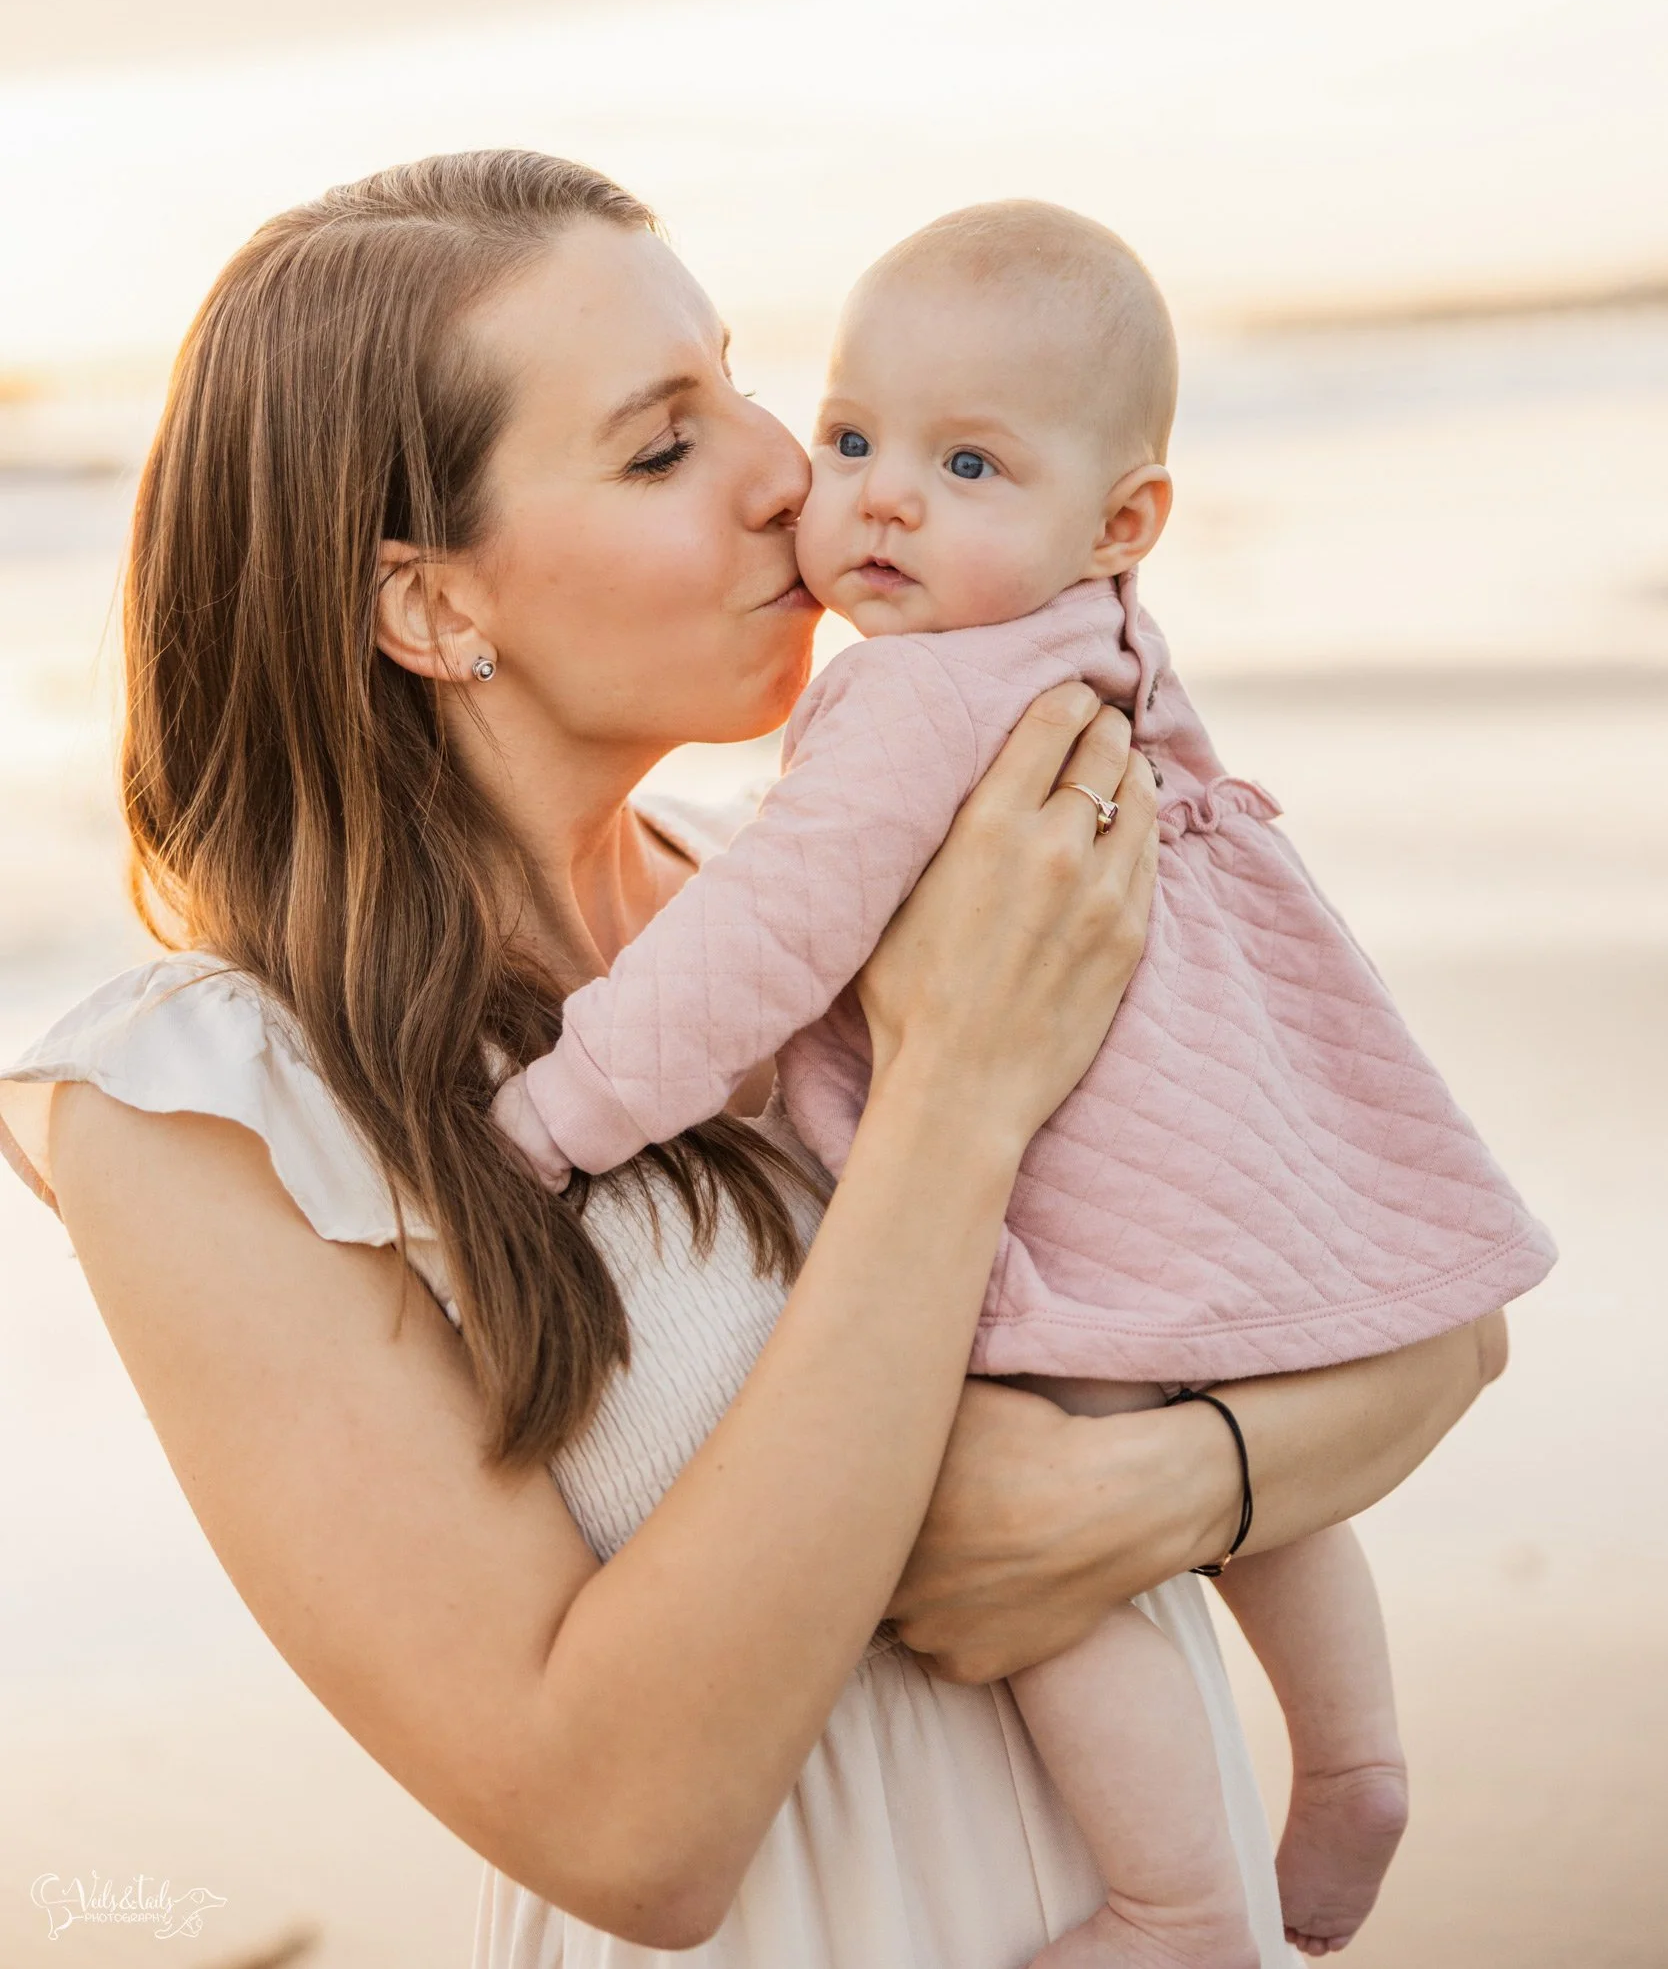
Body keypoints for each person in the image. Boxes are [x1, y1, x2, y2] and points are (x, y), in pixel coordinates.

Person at [0, 153, 1510, 1969]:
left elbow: (1427, 1318)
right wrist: (952, 1092)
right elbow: (629, 1830)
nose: (792, 471)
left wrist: (1169, 1491)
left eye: (736, 379)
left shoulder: (832, 871)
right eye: (660, 446)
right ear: (429, 610)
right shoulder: (210, 1119)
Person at [495, 198, 1556, 1964]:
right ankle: (1354, 1757)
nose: (877, 496)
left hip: (1080, 1184)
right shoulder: (1101, 636)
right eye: (851, 439)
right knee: (1241, 1454)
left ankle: (1175, 1901)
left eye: (969, 463)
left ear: (1120, 515)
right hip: (1222, 1143)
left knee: (1030, 1503)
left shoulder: (913, 700)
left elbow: (752, 949)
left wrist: (563, 1109)